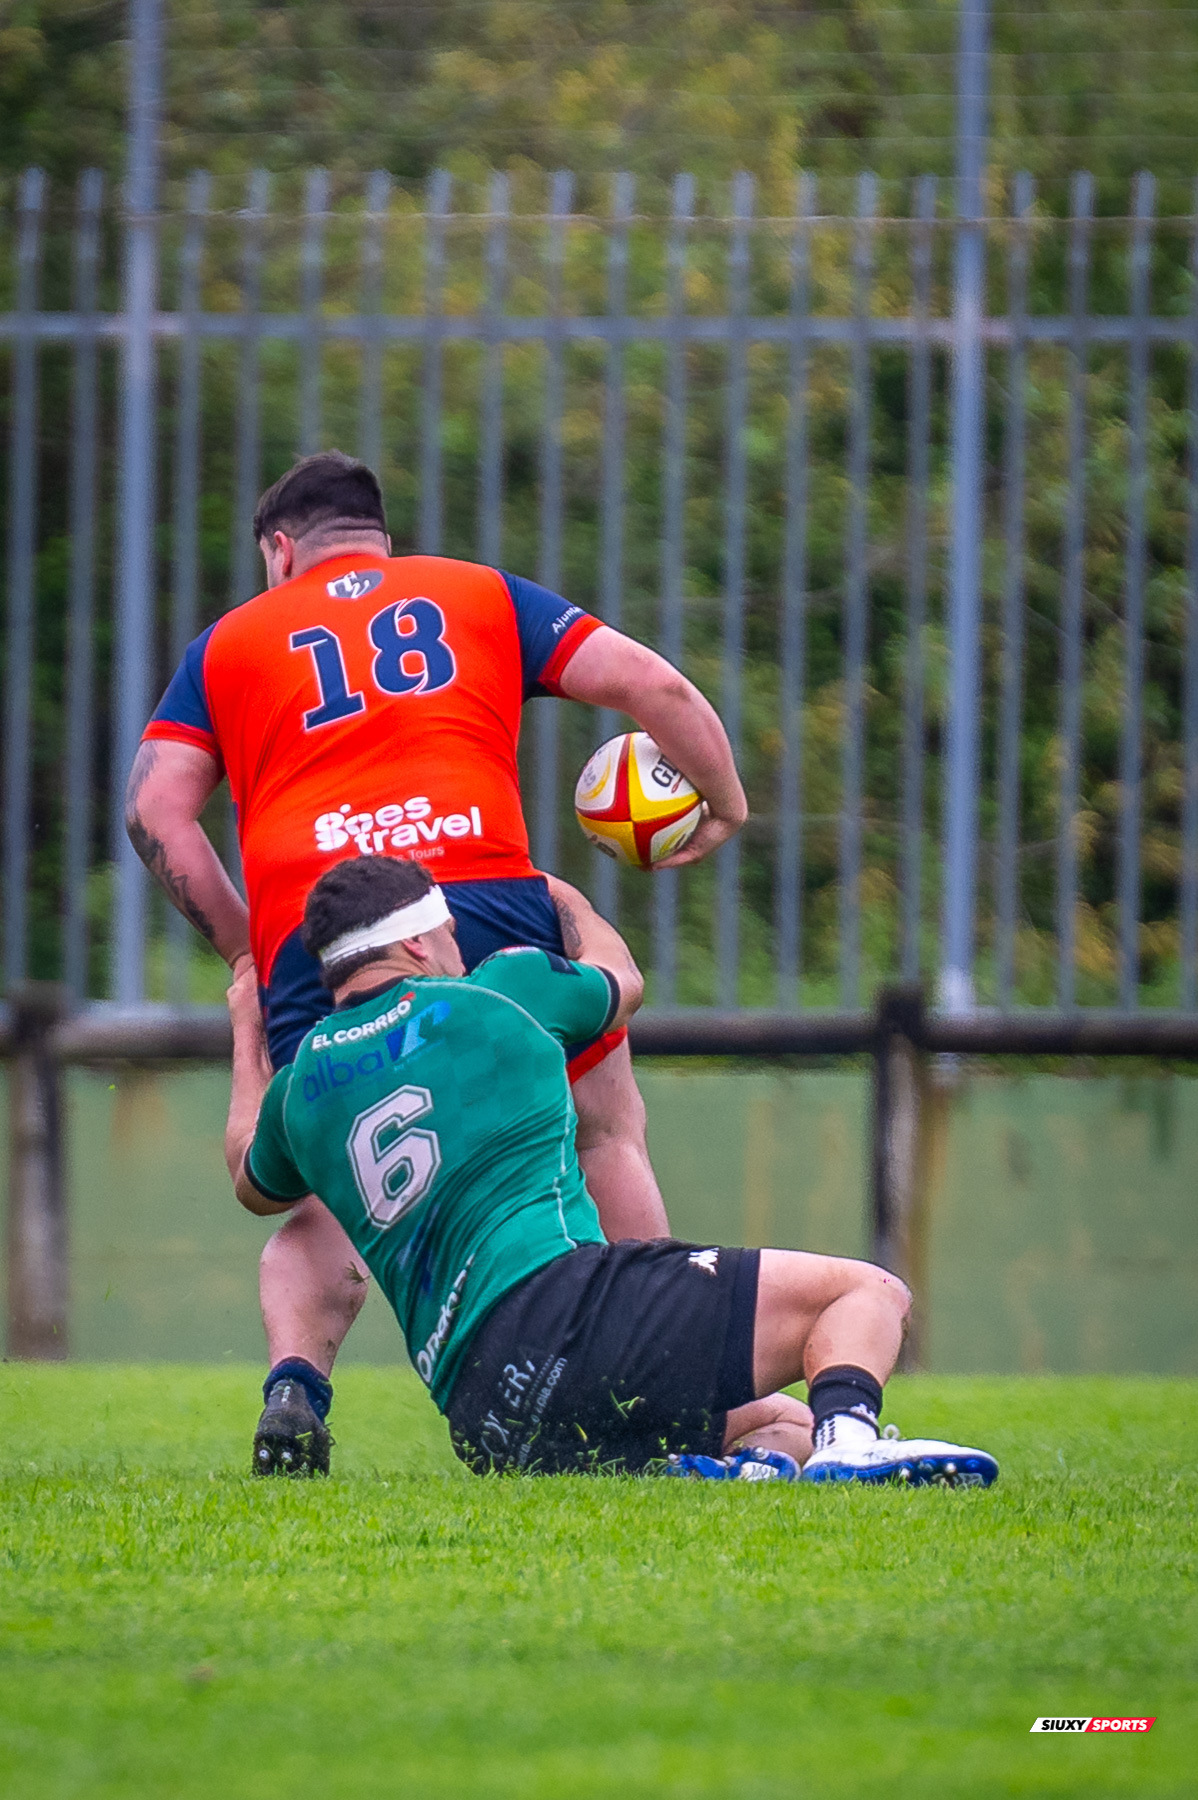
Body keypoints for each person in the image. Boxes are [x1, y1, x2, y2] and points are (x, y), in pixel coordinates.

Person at [126, 449, 749, 1474]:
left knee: (326, 1183)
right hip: (482, 893)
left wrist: (248, 950)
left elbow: (158, 813)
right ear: (379, 538)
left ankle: (295, 1385)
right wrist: (723, 803)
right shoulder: (478, 594)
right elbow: (653, 683)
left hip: (323, 929)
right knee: (602, 1129)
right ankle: (660, 1386)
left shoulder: (228, 644)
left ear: (279, 550)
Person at [224, 855, 1000, 1488]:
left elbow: (252, 1183)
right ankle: (851, 1442)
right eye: (449, 932)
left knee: (779, 1421)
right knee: (868, 1294)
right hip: (571, 1312)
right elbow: (622, 979)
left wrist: (244, 1030)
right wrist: (564, 898)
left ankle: (737, 1474)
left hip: (484, 1412)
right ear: (420, 943)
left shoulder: (301, 1091)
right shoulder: (505, 993)